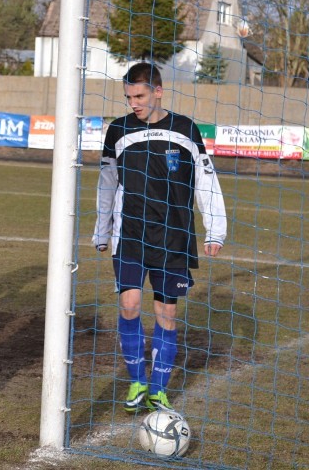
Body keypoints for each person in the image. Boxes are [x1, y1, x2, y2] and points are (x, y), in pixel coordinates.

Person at [92, 62, 226, 413]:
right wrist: (101, 230)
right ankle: (137, 381)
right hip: (130, 235)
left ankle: (158, 389)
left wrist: (216, 230)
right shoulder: (118, 130)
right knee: (129, 305)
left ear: (158, 91)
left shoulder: (185, 129)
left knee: (166, 314)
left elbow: (206, 182)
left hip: (173, 237)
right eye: (128, 96)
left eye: (139, 95)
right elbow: (107, 184)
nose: (133, 102)